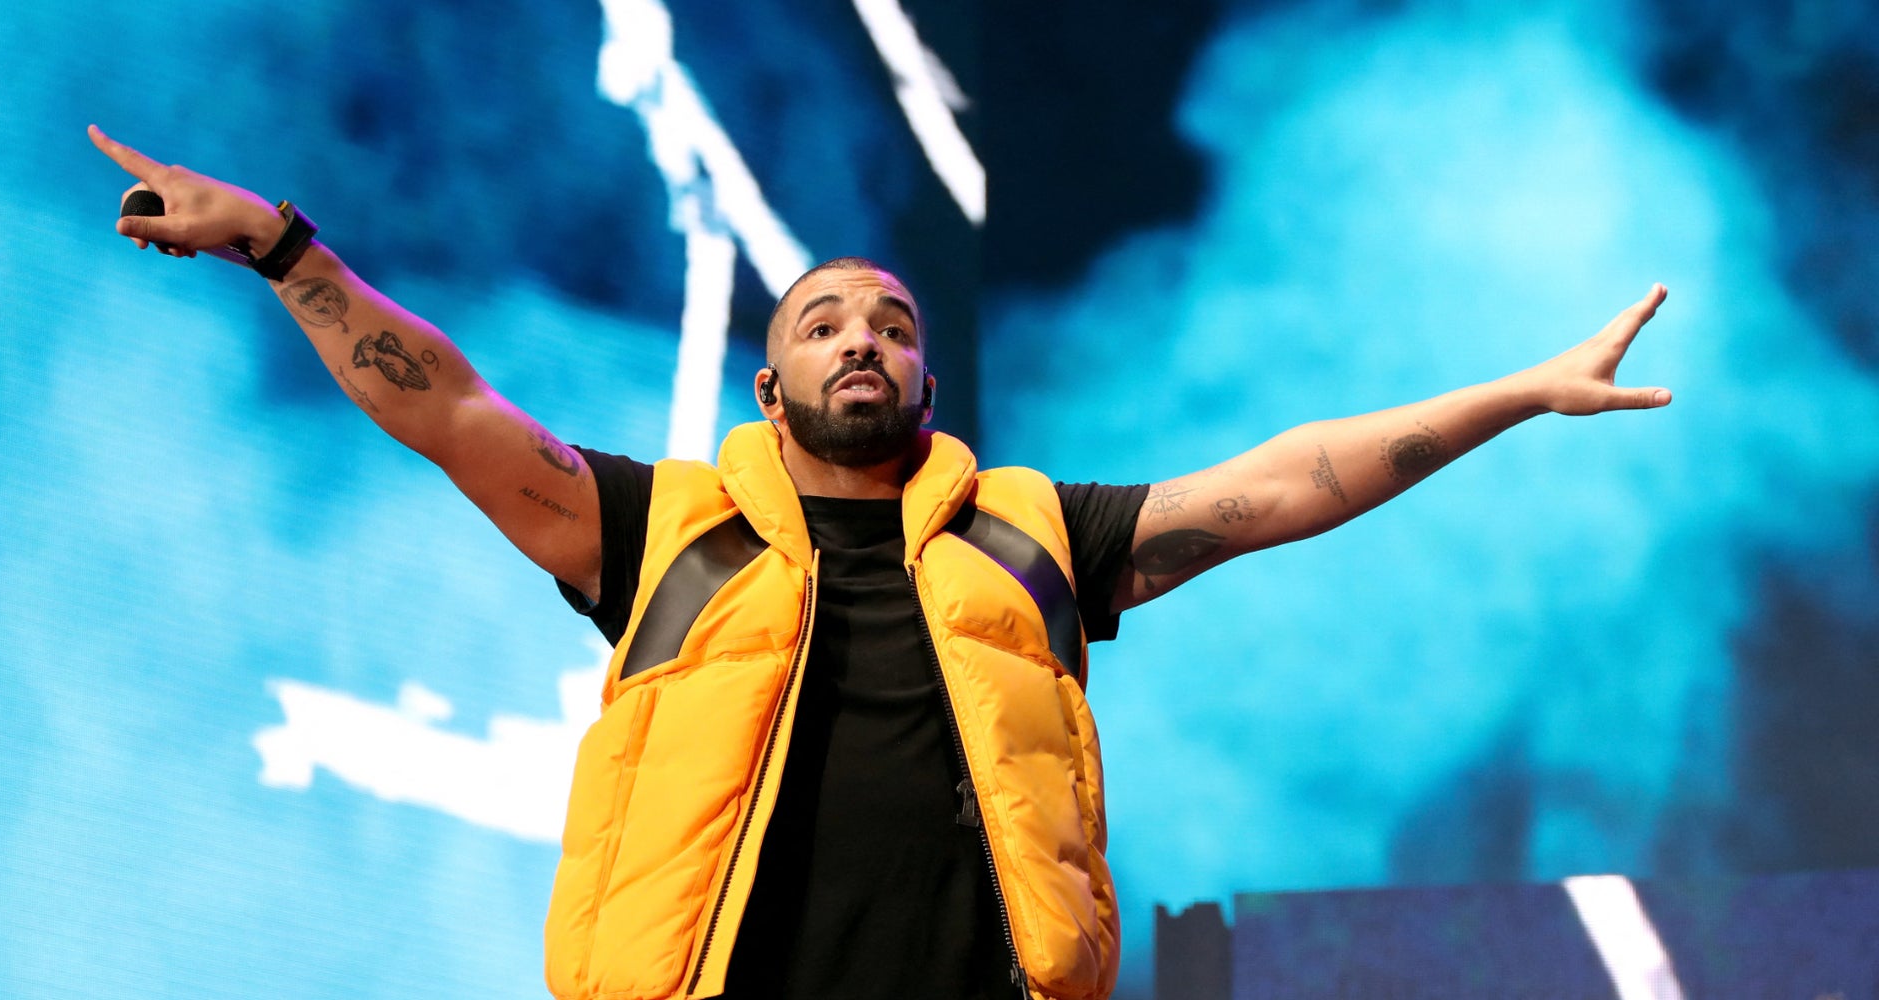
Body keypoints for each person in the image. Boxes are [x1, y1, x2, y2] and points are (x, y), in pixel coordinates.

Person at [89, 125, 1674, 1000]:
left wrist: (1520, 394)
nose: (863, 337)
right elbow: (445, 407)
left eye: (895, 325)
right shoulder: (660, 527)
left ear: (926, 378)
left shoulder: (1034, 533)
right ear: (766, 385)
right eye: (823, 322)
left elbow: (1284, 488)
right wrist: (276, 245)